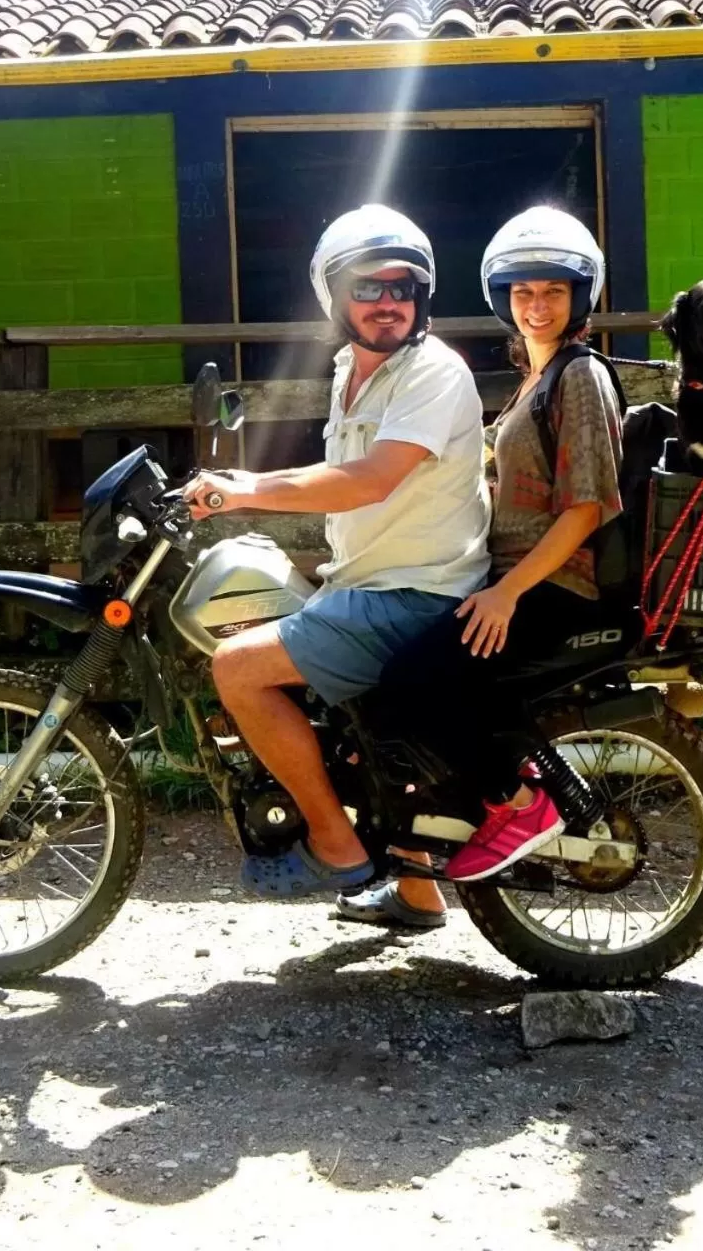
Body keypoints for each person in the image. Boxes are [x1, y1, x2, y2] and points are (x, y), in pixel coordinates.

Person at [183, 204, 492, 899]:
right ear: (335, 297)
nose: (388, 303)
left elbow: (369, 480)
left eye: (402, 288)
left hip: (416, 592)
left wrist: (244, 490)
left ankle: (336, 846)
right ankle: (415, 893)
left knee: (237, 670)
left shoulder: (432, 372)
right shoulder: (350, 369)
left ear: (422, 296)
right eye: (368, 288)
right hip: (369, 580)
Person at [337, 205, 626, 927]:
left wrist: (506, 594)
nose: (537, 305)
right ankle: (413, 882)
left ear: (580, 297)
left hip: (557, 587)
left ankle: (520, 804)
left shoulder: (579, 377)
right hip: (520, 580)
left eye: (554, 292)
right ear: (504, 299)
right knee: (396, 683)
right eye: (524, 293)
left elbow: (586, 508)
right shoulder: (537, 377)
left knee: (408, 680)